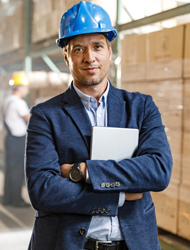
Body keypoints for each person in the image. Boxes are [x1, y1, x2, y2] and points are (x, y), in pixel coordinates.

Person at [25, 1, 173, 250]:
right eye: (78, 49)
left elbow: (157, 171)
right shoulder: (45, 115)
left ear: (109, 52)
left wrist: (82, 171)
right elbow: (43, 190)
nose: (89, 57)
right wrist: (120, 195)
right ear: (66, 57)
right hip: (67, 243)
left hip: (134, 243)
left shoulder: (141, 107)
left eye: (97, 46)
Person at [3, 72, 30, 207]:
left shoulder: (8, 99)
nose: (27, 90)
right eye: (26, 87)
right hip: (18, 140)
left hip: (10, 138)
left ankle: (7, 198)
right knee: (17, 170)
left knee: (10, 169)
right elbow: (30, 121)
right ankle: (16, 200)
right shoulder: (19, 103)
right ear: (19, 87)